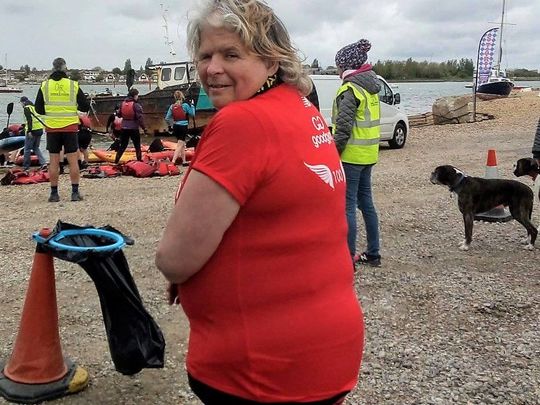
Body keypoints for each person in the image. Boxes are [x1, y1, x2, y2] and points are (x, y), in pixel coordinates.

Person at [155, 1, 364, 404]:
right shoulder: (302, 108)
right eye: (205, 55)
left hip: (261, 370)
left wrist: (183, 271)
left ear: (271, 62)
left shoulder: (242, 123)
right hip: (324, 348)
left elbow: (175, 259)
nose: (212, 68)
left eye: (231, 54)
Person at [331, 39, 382, 268]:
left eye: (338, 66)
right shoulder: (371, 87)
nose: (337, 70)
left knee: (348, 206)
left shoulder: (350, 89)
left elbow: (342, 128)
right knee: (367, 204)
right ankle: (373, 254)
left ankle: (347, 257)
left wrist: (333, 152)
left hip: (351, 156)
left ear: (346, 66)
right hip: (369, 154)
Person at [35, 57, 89, 202]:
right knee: (72, 160)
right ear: (65, 68)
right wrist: (73, 110)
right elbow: (85, 106)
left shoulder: (45, 86)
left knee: (53, 161)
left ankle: (54, 194)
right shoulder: (73, 85)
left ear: (53, 68)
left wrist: (52, 112)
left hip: (52, 127)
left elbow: (38, 109)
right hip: (70, 126)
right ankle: (75, 193)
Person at [115, 88, 147, 164]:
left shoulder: (122, 104)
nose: (137, 97)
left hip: (124, 128)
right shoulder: (136, 105)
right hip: (133, 128)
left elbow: (119, 115)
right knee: (137, 145)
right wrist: (144, 128)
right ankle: (139, 161)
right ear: (134, 95)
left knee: (123, 145)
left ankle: (116, 161)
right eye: (137, 95)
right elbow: (140, 118)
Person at [164, 90, 196, 165]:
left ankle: (184, 161)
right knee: (180, 144)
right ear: (182, 97)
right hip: (183, 127)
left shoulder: (172, 107)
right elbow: (193, 114)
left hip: (175, 127)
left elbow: (167, 118)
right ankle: (173, 161)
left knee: (182, 144)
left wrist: (170, 125)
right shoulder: (185, 105)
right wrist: (192, 105)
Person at [20, 96, 47, 171]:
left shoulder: (26, 108)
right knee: (36, 147)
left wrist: (29, 131)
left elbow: (29, 120)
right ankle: (43, 163)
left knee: (27, 149)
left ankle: (26, 167)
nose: (21, 105)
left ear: (23, 102)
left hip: (32, 130)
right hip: (40, 129)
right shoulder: (34, 107)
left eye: (21, 103)